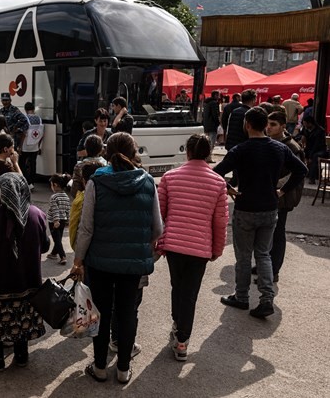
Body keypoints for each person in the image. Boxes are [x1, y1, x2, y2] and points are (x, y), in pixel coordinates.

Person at [71, 132, 162, 384]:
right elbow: (158, 229)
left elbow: (86, 228)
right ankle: (123, 370)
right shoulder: (147, 181)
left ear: (106, 154)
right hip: (132, 264)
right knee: (127, 312)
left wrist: (78, 260)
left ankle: (99, 367)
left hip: (100, 262)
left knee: (102, 312)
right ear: (134, 152)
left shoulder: (96, 182)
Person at [214, 107, 307, 318]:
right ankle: (266, 298)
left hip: (246, 207)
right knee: (264, 254)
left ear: (247, 125)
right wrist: (282, 191)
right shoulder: (279, 149)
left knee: (244, 256)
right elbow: (302, 170)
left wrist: (229, 188)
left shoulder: (240, 150)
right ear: (265, 125)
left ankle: (242, 296)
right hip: (270, 208)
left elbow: (216, 172)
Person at [157, 134, 229, 361]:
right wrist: (217, 249)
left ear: (187, 151)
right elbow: (220, 220)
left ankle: (177, 325)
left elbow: (160, 215)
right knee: (190, 294)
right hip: (200, 248)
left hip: (174, 245)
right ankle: (182, 342)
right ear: (208, 153)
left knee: (176, 287)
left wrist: (158, 243)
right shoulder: (218, 182)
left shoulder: (170, 177)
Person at [0, 172, 50, 371]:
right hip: (28, 281)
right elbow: (46, 246)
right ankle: (22, 356)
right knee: (22, 319)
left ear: (2, 192)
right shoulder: (37, 214)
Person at [257, 112, 305, 282]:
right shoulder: (269, 142)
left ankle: (273, 271)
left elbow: (297, 173)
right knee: (266, 232)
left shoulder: (291, 146)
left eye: (273, 124)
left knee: (277, 233)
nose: (268, 127)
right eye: (267, 124)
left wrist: (276, 186)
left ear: (283, 126)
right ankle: (264, 265)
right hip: (268, 195)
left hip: (281, 196)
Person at [69, 162, 105, 251]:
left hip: (89, 251)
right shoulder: (109, 195)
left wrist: (78, 256)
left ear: (84, 181)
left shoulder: (80, 200)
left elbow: (80, 230)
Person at [0, 134, 22, 209]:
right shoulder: (4, 166)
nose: (14, 149)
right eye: (12, 147)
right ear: (6, 149)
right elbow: (21, 179)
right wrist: (15, 163)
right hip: (3, 204)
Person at [70, 135, 107, 199]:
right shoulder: (106, 165)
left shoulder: (79, 166)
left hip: (85, 201)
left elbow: (75, 192)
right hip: (103, 199)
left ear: (86, 149)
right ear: (101, 149)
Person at [45, 173, 71, 265]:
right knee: (58, 238)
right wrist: (67, 220)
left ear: (55, 185)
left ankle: (63, 256)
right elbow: (68, 209)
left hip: (54, 221)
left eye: (51, 185)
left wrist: (56, 220)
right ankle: (53, 253)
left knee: (57, 239)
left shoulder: (54, 197)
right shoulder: (66, 196)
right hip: (63, 221)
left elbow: (55, 209)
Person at [19, 102, 44, 190]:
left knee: (21, 164)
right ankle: (32, 182)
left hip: (26, 146)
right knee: (33, 165)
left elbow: (24, 134)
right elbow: (42, 134)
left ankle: (28, 182)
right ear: (33, 109)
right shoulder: (39, 119)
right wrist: (39, 145)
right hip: (35, 146)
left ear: (25, 109)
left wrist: (20, 147)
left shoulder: (25, 119)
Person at [301, 115, 328, 184]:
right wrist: (302, 137)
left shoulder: (320, 131)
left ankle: (312, 178)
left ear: (310, 123)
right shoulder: (305, 129)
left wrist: (310, 156)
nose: (305, 126)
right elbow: (299, 135)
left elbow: (317, 145)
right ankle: (303, 173)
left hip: (320, 150)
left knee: (315, 156)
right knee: (301, 153)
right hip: (309, 149)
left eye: (305, 124)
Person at [202, 90, 221, 159]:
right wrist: (218, 123)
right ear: (215, 95)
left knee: (206, 142)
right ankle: (208, 157)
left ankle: (205, 157)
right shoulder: (214, 103)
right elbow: (215, 114)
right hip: (212, 125)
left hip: (206, 124)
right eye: (218, 95)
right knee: (211, 142)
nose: (219, 97)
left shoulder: (206, 103)